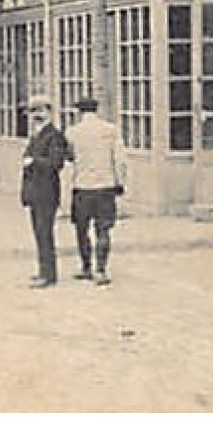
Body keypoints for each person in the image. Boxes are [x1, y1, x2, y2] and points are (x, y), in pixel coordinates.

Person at [64, 97, 128, 286]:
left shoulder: (72, 132)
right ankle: (100, 270)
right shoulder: (110, 130)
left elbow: (69, 157)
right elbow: (120, 159)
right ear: (96, 110)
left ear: (79, 112)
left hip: (82, 186)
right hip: (105, 186)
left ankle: (86, 267)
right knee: (103, 229)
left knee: (82, 229)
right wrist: (120, 182)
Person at [19, 95, 70, 288]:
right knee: (39, 233)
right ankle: (43, 270)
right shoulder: (36, 135)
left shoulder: (54, 136)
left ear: (49, 112)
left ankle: (48, 275)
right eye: (32, 112)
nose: (35, 116)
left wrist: (34, 161)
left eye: (39, 111)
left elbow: (57, 163)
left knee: (44, 232)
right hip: (35, 192)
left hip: (46, 192)